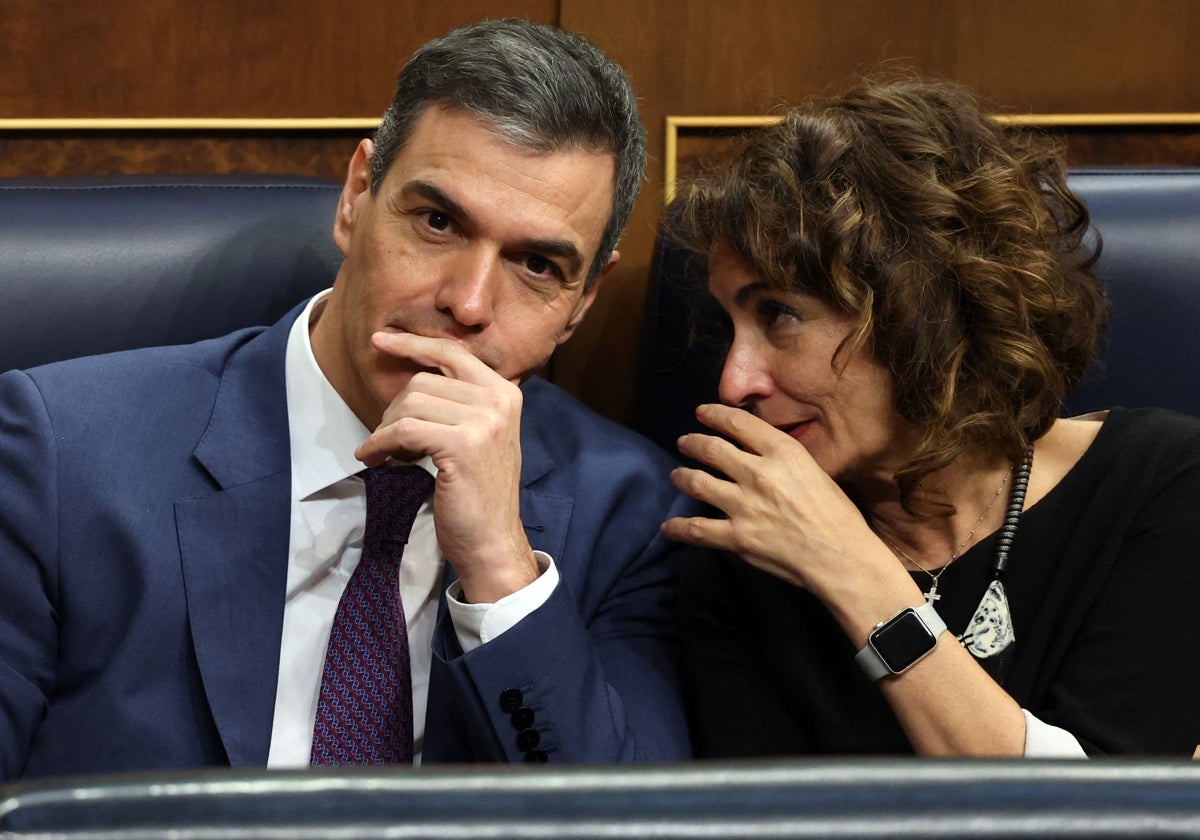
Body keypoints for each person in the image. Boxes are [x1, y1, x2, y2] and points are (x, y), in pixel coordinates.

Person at [0, 18, 695, 780]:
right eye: (437, 222)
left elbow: (631, 822)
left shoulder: (627, 514)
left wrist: (502, 568)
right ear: (357, 194)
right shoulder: (63, 454)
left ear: (584, 300)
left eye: (535, 264)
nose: (467, 303)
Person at [662, 75, 1200, 757]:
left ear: (923, 309)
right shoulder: (740, 558)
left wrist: (857, 575)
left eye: (779, 314)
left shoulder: (1164, 488)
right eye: (729, 325)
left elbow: (1105, 819)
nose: (734, 381)